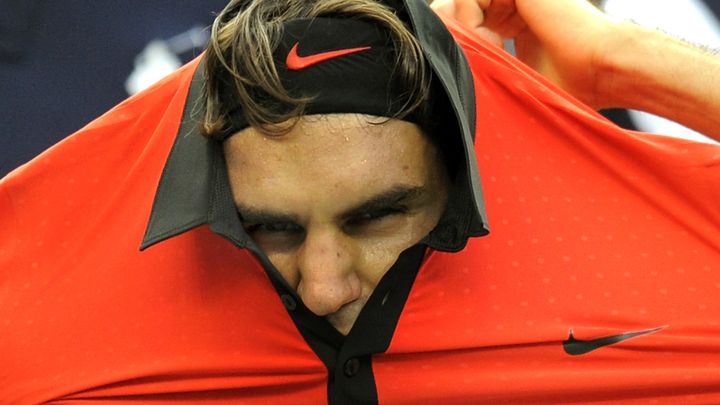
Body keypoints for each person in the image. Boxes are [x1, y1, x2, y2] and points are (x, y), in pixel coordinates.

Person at [1, 0, 719, 403]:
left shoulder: (637, 272)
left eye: (378, 215)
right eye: (267, 226)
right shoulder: (42, 321)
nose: (322, 285)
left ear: (462, 179)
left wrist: (622, 62)